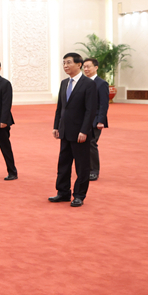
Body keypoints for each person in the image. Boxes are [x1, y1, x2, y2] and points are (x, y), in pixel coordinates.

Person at [50, 53, 97, 208]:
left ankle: (79, 195)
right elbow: (60, 108)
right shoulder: (64, 83)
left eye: (69, 62)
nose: (65, 66)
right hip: (65, 131)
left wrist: (84, 130)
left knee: (81, 166)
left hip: (80, 133)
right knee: (63, 164)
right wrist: (56, 126)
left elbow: (90, 110)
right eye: (64, 63)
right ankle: (63, 192)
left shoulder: (88, 84)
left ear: (79, 64)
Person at [82, 57, 109, 181]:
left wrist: (101, 120)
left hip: (95, 120)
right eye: (84, 67)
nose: (86, 69)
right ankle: (85, 169)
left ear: (96, 67)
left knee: (91, 144)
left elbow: (104, 104)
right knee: (83, 145)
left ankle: (94, 171)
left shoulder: (101, 84)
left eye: (88, 66)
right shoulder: (82, 82)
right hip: (83, 119)